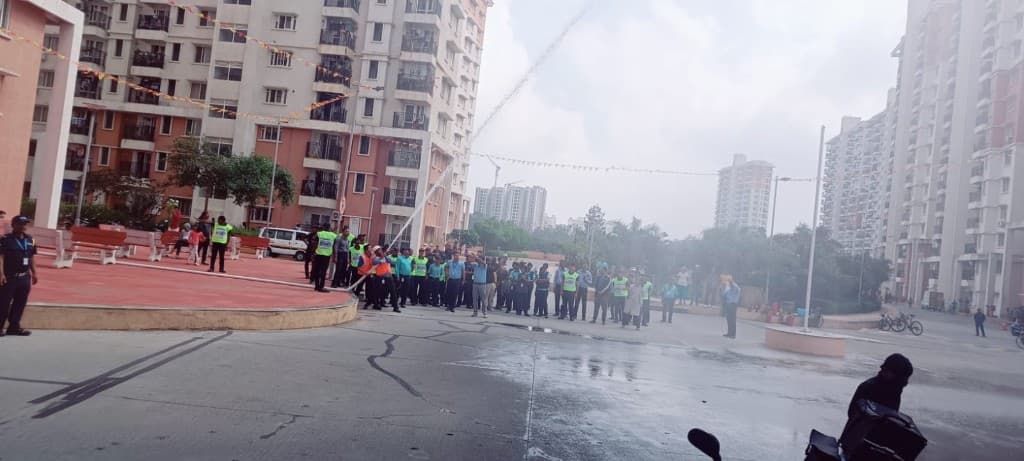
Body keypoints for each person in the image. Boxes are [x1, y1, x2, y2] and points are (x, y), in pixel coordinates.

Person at [840, 353, 914, 449]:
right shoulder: (869, 387)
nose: (905, 381)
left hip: (875, 440)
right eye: (903, 377)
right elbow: (853, 415)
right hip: (856, 440)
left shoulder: (894, 388)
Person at [0, 216, 39, 337]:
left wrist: (34, 273)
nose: (23, 226)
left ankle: (14, 327)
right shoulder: (5, 239)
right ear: (13, 225)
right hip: (9, 277)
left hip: (24, 278)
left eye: (25, 224)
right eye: (20, 224)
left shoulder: (30, 240)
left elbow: (31, 257)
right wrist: (1, 274)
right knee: (3, 303)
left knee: (20, 303)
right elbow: (1, 257)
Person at [373, 247, 400, 312]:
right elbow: (374, 262)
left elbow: (391, 262)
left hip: (389, 277)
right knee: (378, 292)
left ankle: (396, 307)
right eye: (379, 251)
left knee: (393, 292)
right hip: (380, 277)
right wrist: (381, 260)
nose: (380, 252)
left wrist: (384, 256)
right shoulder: (376, 258)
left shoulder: (387, 257)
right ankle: (376, 304)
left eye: (381, 251)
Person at [311, 226, 337, 293]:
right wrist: (334, 257)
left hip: (318, 254)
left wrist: (313, 253)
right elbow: (334, 247)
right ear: (329, 228)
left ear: (323, 228)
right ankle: (321, 287)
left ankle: (317, 286)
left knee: (316, 271)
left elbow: (314, 243)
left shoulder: (319, 233)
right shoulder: (333, 235)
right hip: (326, 256)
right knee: (323, 272)